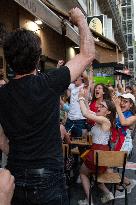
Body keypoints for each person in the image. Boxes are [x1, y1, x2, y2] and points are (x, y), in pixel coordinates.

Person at [0, 7, 95, 205]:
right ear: (38, 58)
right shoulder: (49, 82)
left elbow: (1, 141)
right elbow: (87, 54)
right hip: (48, 178)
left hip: (14, 178)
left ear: (9, 61)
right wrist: (81, 20)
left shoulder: (3, 95)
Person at [78, 89, 116, 205]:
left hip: (97, 153)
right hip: (102, 154)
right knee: (96, 174)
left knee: (83, 173)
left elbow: (85, 114)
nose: (99, 106)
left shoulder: (105, 120)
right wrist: (84, 100)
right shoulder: (101, 118)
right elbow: (89, 111)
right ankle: (108, 193)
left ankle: (89, 201)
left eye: (102, 106)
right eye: (100, 105)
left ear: (108, 112)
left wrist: (80, 98)